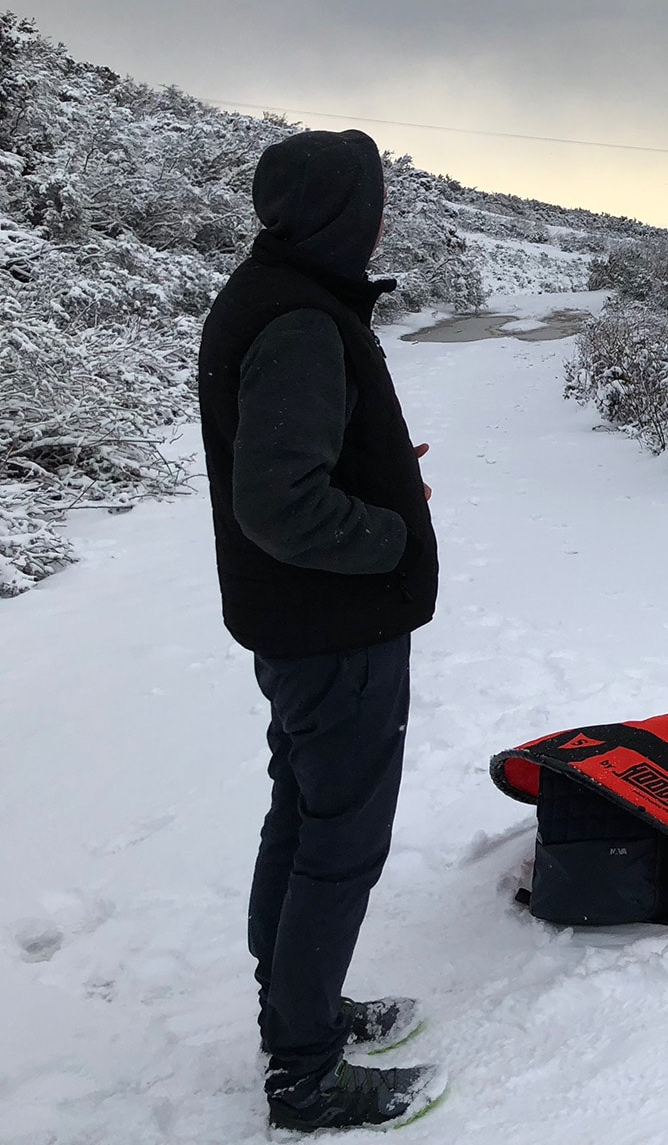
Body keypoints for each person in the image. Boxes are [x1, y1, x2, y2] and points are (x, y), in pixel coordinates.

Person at [197, 129, 446, 1131]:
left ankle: (300, 1010)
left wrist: (375, 461)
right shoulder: (299, 319)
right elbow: (279, 502)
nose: (382, 216)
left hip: (303, 626)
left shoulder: (271, 296)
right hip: (334, 631)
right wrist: (386, 530)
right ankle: (304, 1072)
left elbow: (292, 455)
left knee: (301, 819)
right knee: (338, 842)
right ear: (341, 213)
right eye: (372, 200)